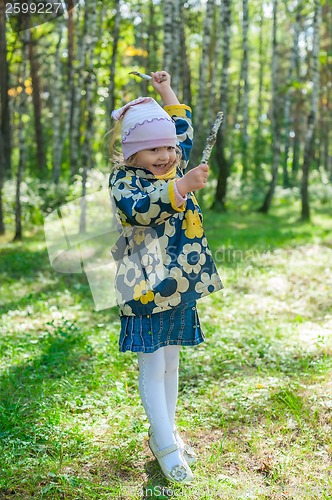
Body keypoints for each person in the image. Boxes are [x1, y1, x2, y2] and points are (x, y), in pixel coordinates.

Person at [109, 71, 223, 484]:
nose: (166, 155)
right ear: (132, 154)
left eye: (170, 148)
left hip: (179, 283)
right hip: (144, 286)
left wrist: (166, 92)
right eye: (153, 149)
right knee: (152, 366)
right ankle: (164, 443)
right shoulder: (124, 180)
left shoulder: (174, 162)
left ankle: (167, 432)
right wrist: (181, 188)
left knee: (171, 364)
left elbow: (182, 131)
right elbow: (142, 210)